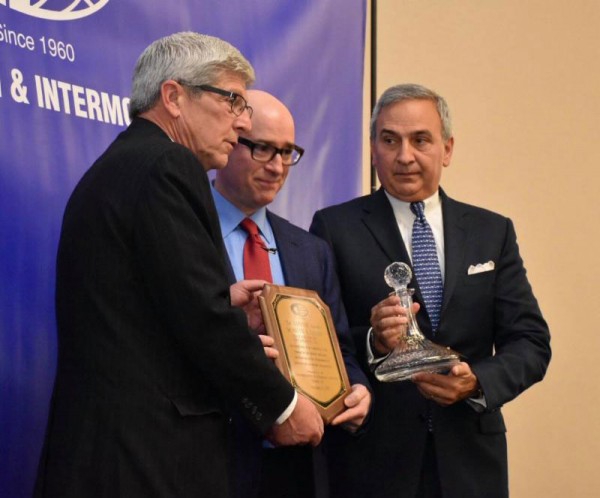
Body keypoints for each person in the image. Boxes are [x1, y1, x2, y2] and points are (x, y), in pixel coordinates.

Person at [33, 32, 324, 498]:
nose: (241, 121)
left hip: (105, 456)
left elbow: (149, 301)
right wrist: (284, 407)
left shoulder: (123, 165)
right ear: (173, 97)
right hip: (143, 460)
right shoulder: (169, 164)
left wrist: (222, 301)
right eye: (232, 101)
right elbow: (204, 323)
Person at [310, 83, 551, 498]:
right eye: (390, 140)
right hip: (373, 463)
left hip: (471, 461)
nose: (405, 156)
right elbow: (319, 343)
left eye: (421, 139)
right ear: (372, 148)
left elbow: (530, 342)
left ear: (447, 149)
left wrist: (477, 381)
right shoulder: (334, 228)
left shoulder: (491, 232)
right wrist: (374, 340)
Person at [211, 89, 372, 498]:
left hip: (301, 466)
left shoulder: (311, 249)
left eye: (287, 153)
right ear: (229, 140)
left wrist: (356, 389)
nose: (278, 166)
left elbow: (340, 347)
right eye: (263, 149)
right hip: (212, 457)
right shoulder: (187, 231)